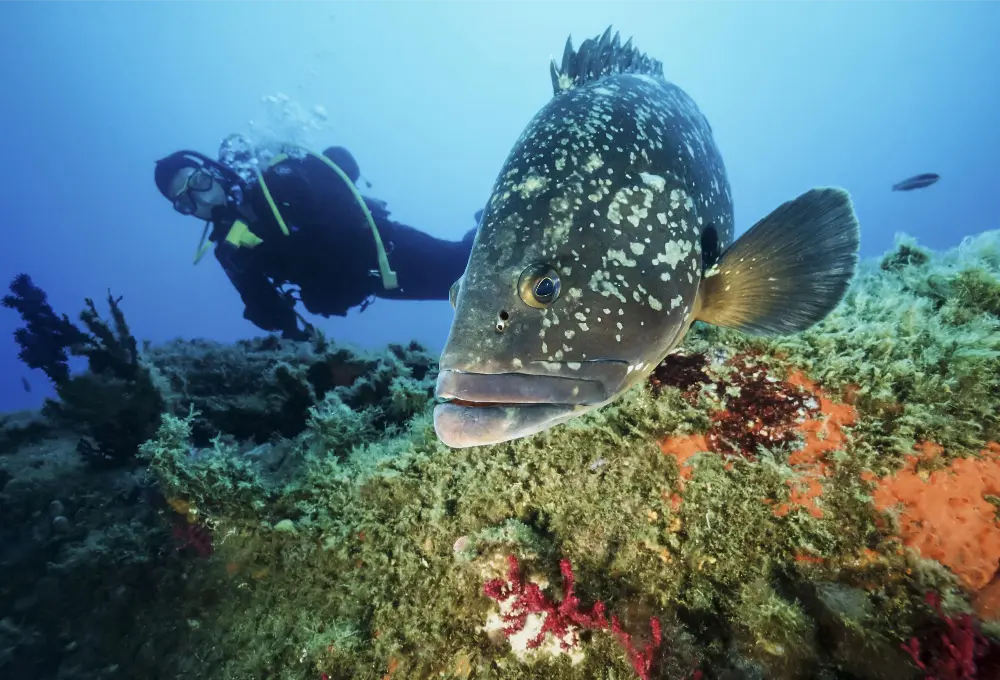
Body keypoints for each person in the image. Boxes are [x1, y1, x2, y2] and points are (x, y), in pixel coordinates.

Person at [154, 140, 476, 340]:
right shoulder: (230, 252)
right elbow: (267, 307)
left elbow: (340, 208)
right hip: (376, 285)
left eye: (197, 182)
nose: (201, 200)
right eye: (185, 202)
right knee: (465, 293)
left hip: (390, 251)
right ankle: (487, 232)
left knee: (466, 268)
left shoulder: (272, 183)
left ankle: (494, 221)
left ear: (212, 171)